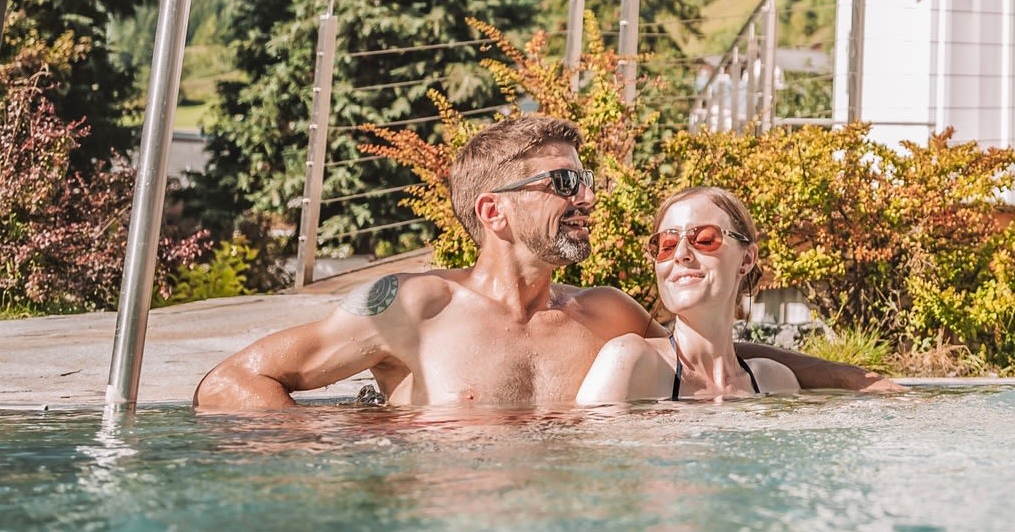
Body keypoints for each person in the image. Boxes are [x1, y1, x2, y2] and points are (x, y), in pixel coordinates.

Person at [194, 114, 877, 410]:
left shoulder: (606, 314)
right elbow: (230, 382)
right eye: (562, 185)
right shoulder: (415, 307)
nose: (586, 198)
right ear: (494, 213)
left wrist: (849, 378)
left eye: (585, 182)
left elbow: (704, 353)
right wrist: (319, 455)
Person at [577, 185, 796, 403]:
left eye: (704, 240)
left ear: (746, 259)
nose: (681, 254)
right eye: (666, 245)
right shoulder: (630, 361)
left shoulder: (776, 382)